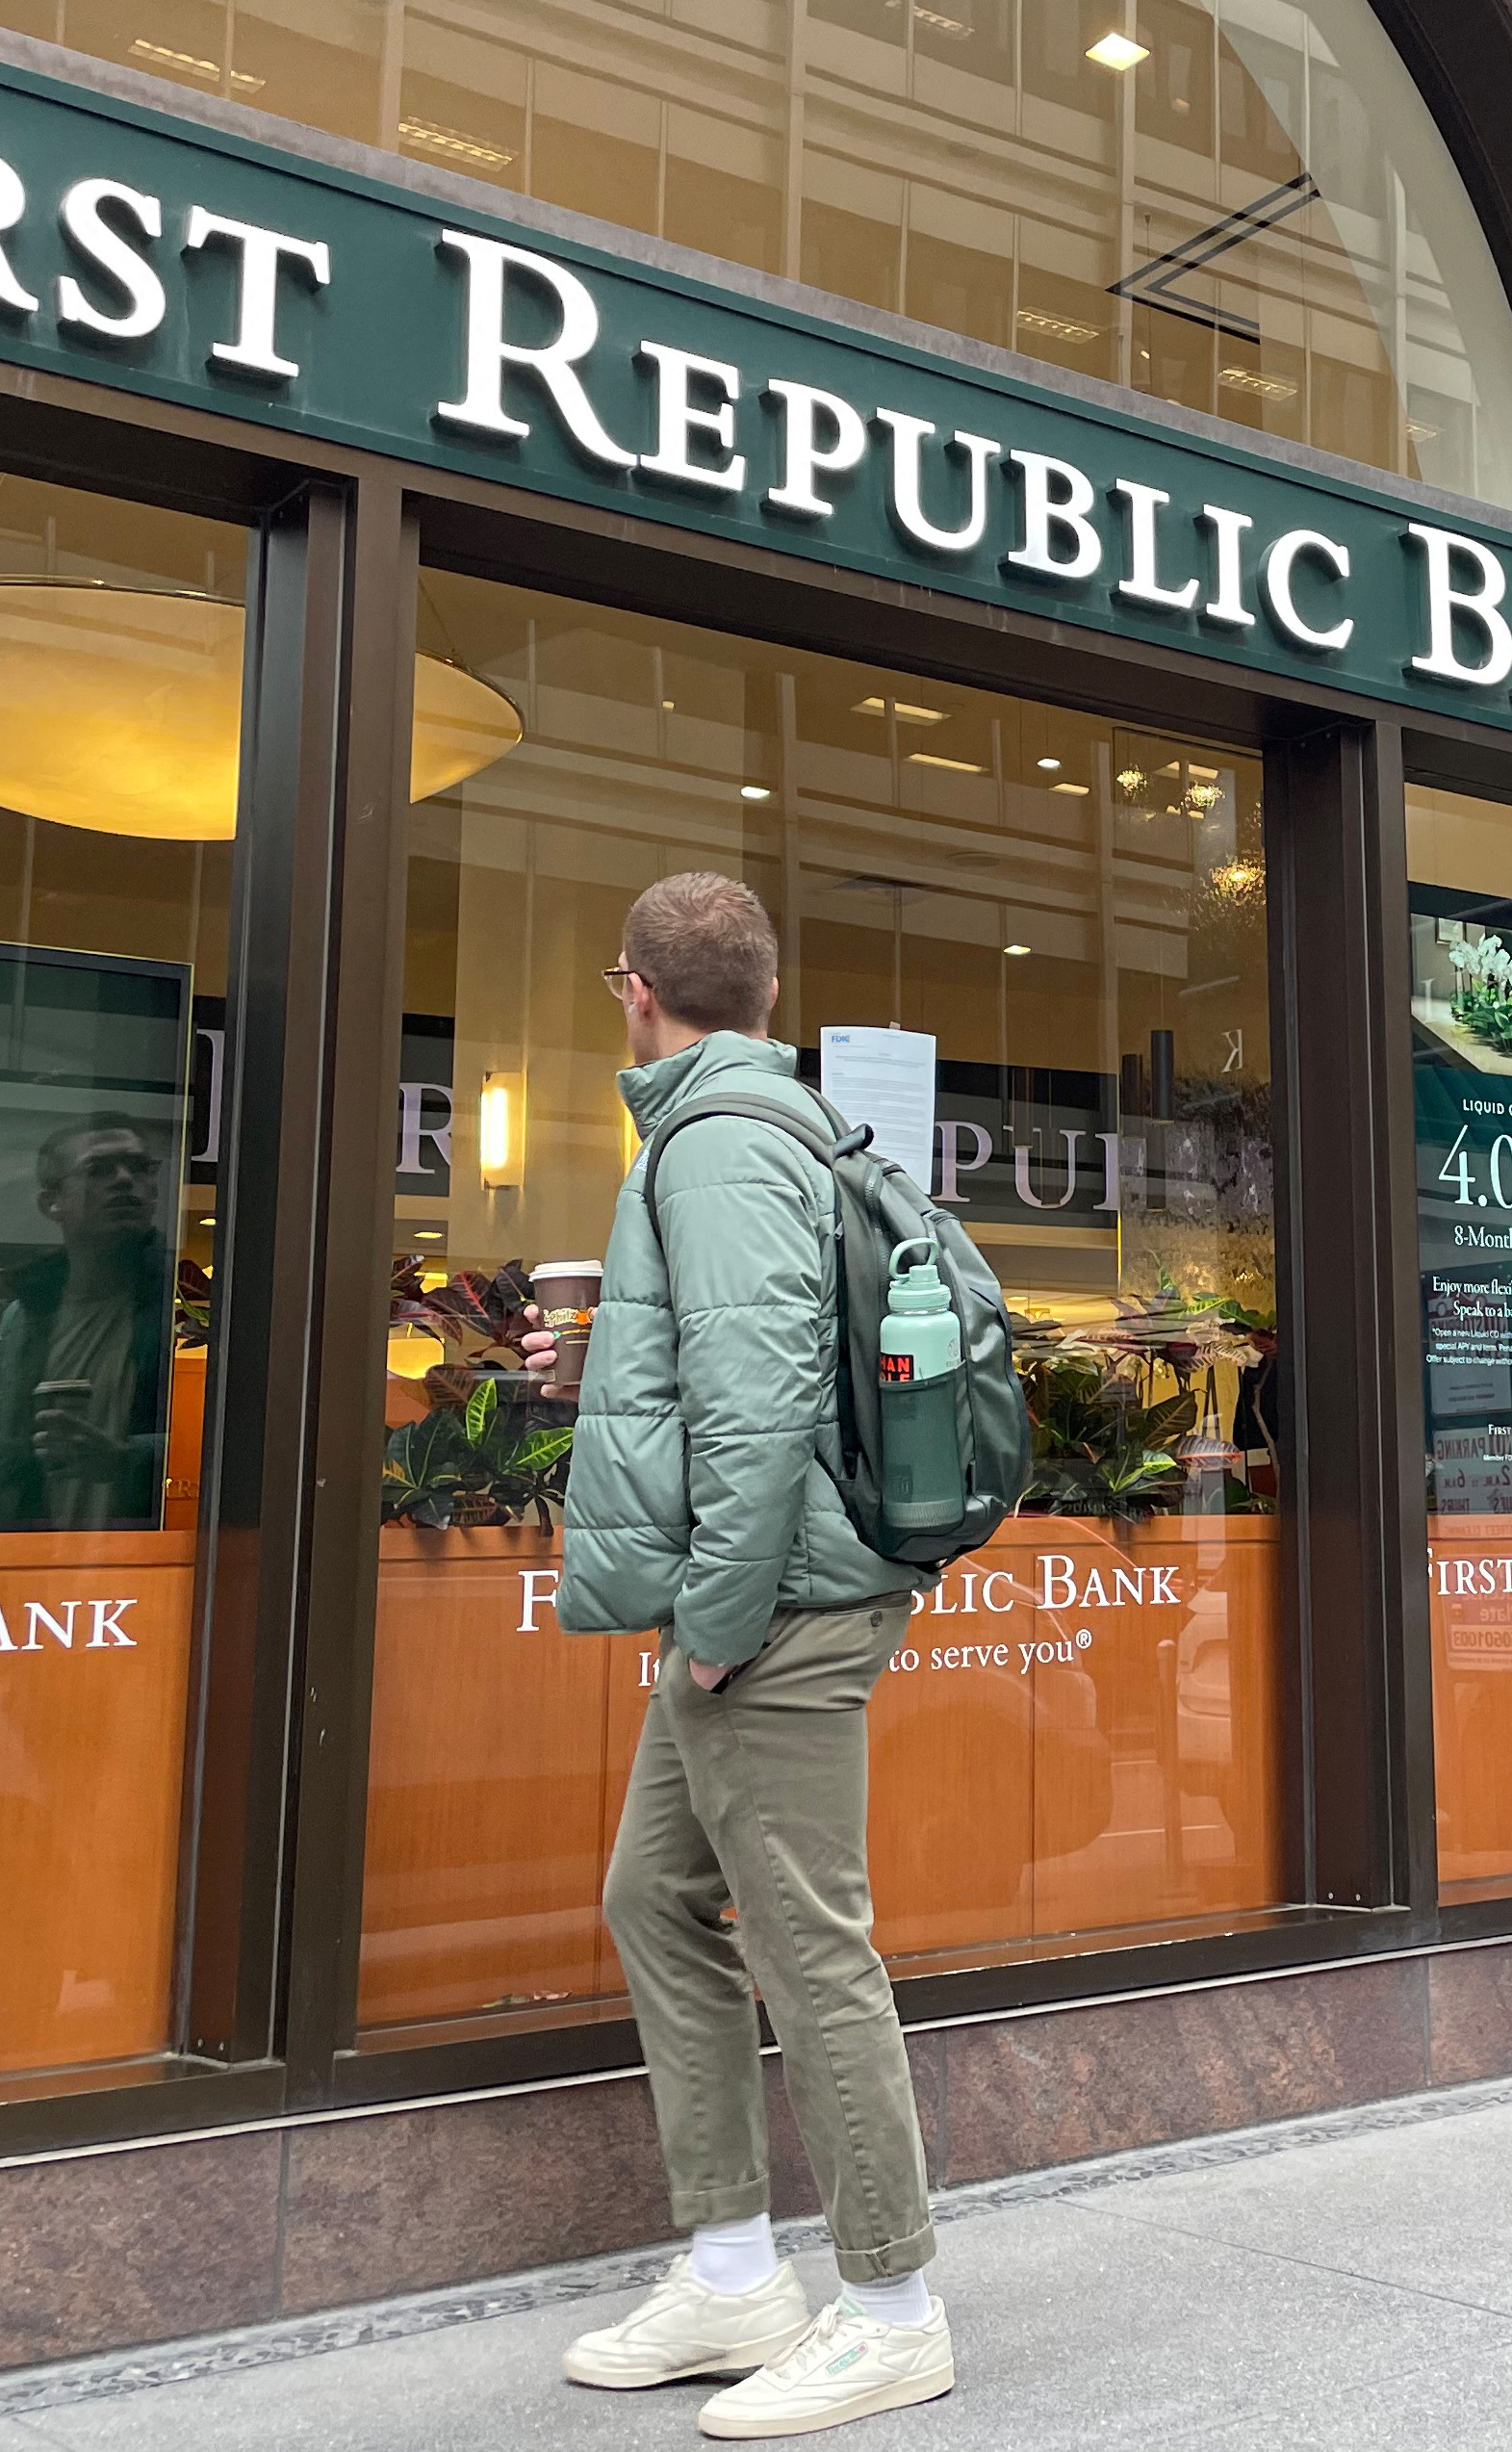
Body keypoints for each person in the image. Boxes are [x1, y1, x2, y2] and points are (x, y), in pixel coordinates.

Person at [525, 871, 951, 2438]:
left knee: (807, 1942)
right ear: (766, 993)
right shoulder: (773, 1121)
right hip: (770, 1592)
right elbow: (732, 1365)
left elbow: (762, 1399)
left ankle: (892, 2309)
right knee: (656, 1894)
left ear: (632, 989)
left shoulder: (713, 1140)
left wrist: (713, 1625)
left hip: (775, 1608)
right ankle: (730, 2274)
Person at [0, 1114, 173, 1528]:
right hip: (38, 1555)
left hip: (150, 1554)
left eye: (139, 1166)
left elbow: (240, 1444)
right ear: (52, 1204)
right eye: (98, 1169)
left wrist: (130, 1462)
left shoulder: (193, 1308)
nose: (124, 1180)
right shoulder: (14, 1324)